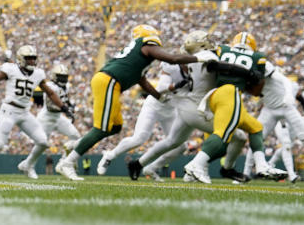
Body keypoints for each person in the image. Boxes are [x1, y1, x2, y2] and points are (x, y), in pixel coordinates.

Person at [56, 24, 200, 181]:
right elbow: (173, 59)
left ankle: (76, 145)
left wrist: (158, 96)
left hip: (111, 83)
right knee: (102, 128)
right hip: (109, 81)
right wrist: (199, 57)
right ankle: (68, 163)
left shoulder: (136, 58)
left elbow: (142, 81)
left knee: (115, 127)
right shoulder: (146, 45)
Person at [126, 31, 244, 182]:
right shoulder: (208, 56)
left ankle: (137, 164)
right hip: (196, 109)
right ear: (201, 44)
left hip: (186, 107)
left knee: (172, 142)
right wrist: (246, 72)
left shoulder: (196, 58)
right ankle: (223, 168)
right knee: (237, 136)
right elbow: (218, 66)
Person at [182, 32, 287, 184]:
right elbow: (257, 83)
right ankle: (196, 164)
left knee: (256, 127)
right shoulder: (258, 57)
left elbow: (211, 64)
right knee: (222, 135)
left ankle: (262, 165)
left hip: (216, 94)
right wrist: (247, 74)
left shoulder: (222, 49)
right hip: (231, 93)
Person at [0, 45, 71, 178]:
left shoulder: (38, 73)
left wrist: (64, 107)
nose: (32, 61)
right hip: (9, 111)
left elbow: (50, 92)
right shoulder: (10, 69)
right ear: (21, 59)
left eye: (33, 58)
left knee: (43, 142)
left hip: (25, 112)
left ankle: (27, 165)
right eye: (29, 58)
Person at [97, 61, 184, 175]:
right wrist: (177, 86)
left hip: (171, 110)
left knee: (180, 147)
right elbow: (161, 88)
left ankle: (151, 168)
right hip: (154, 105)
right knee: (139, 138)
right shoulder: (174, 67)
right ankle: (109, 156)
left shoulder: (197, 73)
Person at [20, 63, 82, 173]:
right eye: (60, 76)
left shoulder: (66, 86)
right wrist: (66, 110)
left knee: (76, 136)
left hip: (58, 117)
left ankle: (63, 162)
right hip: (46, 118)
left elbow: (65, 99)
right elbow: (51, 106)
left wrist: (70, 106)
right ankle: (28, 164)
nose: (63, 79)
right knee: (41, 144)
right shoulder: (50, 86)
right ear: (54, 76)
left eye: (64, 76)